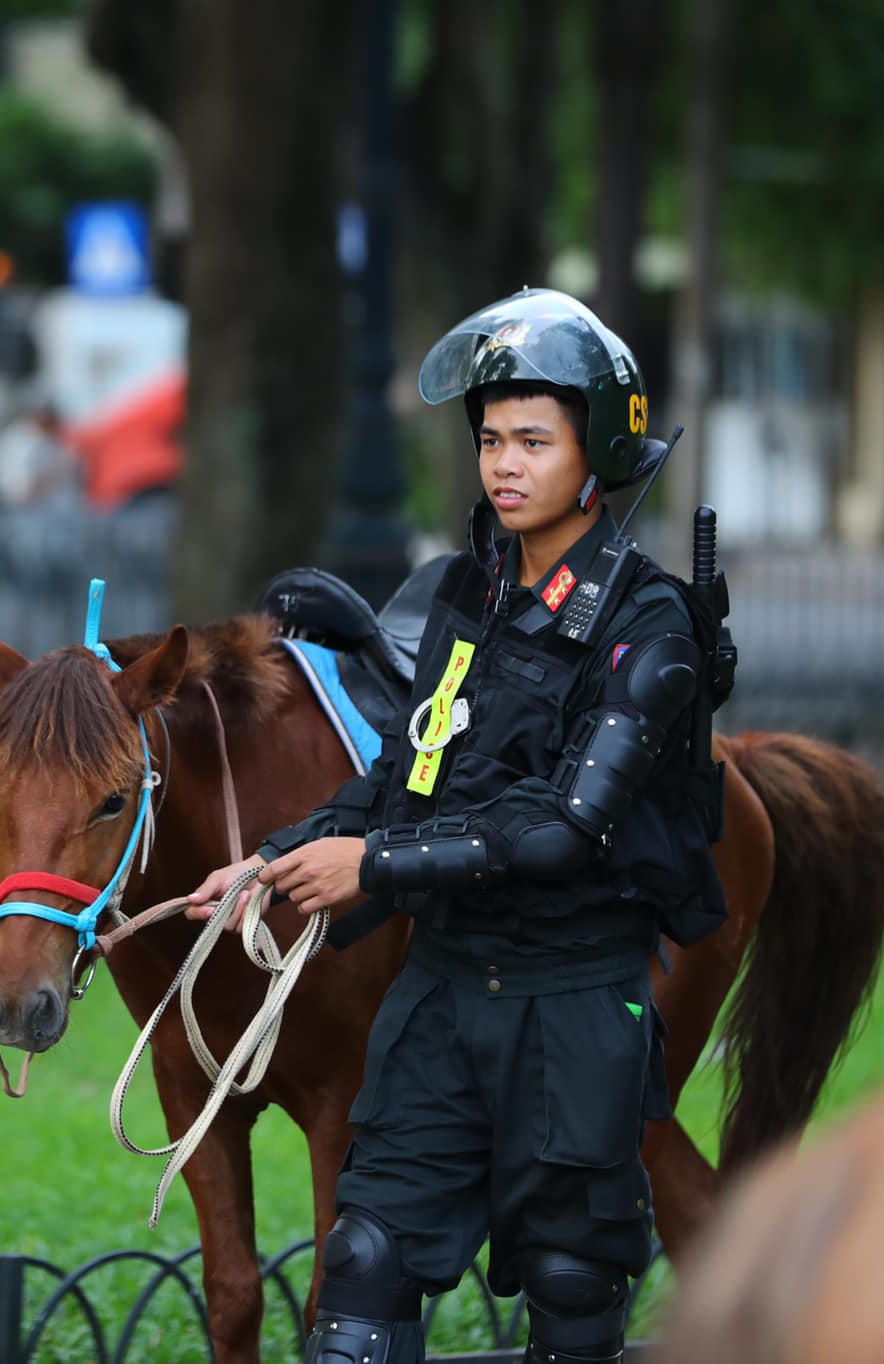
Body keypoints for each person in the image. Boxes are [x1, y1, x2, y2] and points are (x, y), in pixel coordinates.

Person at [189, 289, 729, 1363]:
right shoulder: (462, 592)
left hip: (573, 1006)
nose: (503, 464)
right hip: (437, 997)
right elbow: (404, 776)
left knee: (572, 1300)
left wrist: (369, 864)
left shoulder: (647, 624)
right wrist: (271, 858)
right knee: (361, 1271)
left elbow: (562, 828)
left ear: (598, 450)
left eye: (534, 438)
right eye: (489, 439)